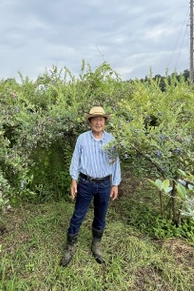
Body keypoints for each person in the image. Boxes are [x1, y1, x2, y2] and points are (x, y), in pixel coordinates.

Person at [60, 106, 121, 267]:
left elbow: (115, 163)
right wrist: (74, 180)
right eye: (95, 119)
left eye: (101, 119)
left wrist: (115, 183)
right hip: (86, 182)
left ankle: (96, 245)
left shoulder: (111, 140)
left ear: (105, 121)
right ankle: (70, 247)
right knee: (78, 215)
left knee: (101, 215)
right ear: (90, 121)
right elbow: (75, 159)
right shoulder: (82, 139)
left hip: (104, 184)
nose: (98, 122)